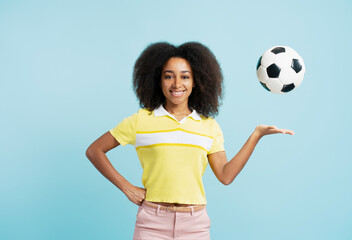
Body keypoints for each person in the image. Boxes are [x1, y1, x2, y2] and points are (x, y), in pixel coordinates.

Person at [85, 42, 294, 240]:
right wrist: (127, 188)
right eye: (169, 76)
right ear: (158, 80)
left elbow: (225, 175)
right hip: (151, 224)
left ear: (196, 81)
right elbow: (95, 150)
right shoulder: (140, 120)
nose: (177, 84)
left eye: (185, 77)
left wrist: (255, 136)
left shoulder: (208, 126)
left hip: (195, 226)